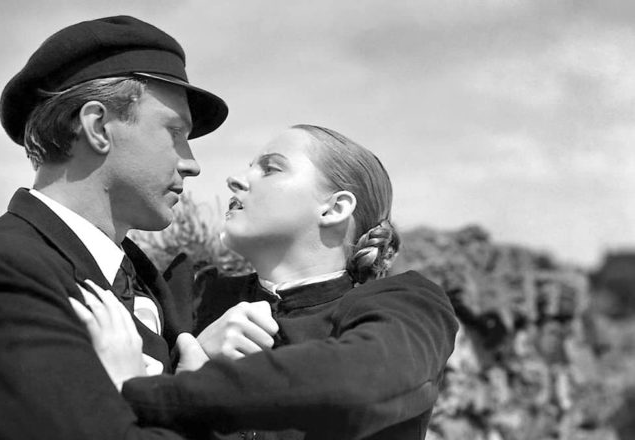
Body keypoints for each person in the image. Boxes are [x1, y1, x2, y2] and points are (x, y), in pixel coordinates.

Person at [0, 15, 228, 440]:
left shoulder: (141, 280)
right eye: (175, 132)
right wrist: (193, 403)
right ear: (98, 127)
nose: (192, 163)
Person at [75, 125, 460, 439]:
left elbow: (359, 383)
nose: (235, 180)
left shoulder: (407, 306)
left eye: (271, 168)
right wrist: (192, 354)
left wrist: (145, 394)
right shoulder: (187, 292)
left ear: (334, 208)